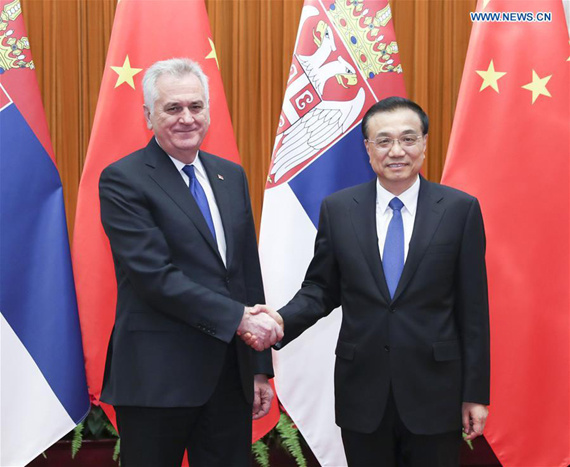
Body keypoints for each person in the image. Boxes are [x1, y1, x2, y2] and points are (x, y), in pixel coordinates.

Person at [249, 97, 490, 466]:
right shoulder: (339, 209)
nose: (397, 151)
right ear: (368, 148)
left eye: (408, 139)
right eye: (384, 140)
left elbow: (473, 310)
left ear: (425, 143)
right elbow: (321, 289)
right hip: (363, 392)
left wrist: (475, 394)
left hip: (434, 392)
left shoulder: (460, 210)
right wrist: (281, 320)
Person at [98, 58, 282, 467]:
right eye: (173, 108)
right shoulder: (123, 179)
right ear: (149, 115)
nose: (187, 118)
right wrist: (240, 319)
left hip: (226, 378)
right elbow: (153, 277)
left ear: (208, 112)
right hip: (156, 377)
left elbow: (245, 274)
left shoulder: (229, 176)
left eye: (196, 107)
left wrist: (256, 367)